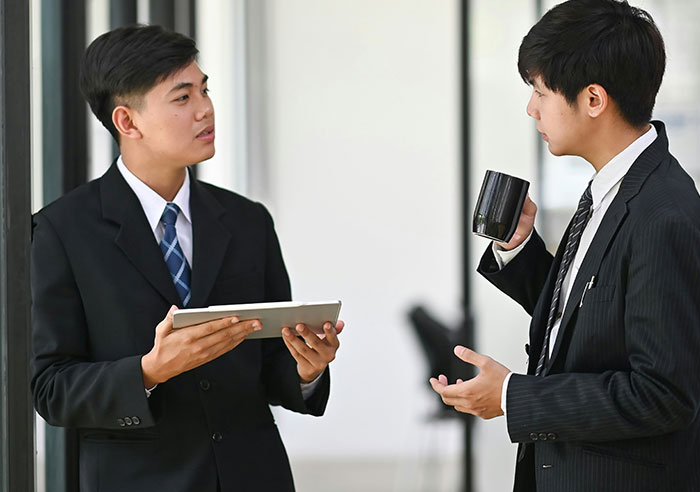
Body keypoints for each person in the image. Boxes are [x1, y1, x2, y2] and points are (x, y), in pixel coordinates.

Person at [31, 24, 343, 492]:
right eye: (182, 98)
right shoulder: (61, 231)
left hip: (253, 475)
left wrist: (306, 368)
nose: (206, 109)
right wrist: (149, 371)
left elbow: (272, 369)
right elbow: (51, 389)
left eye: (205, 89)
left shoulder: (247, 221)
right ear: (127, 122)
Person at [430, 1, 700, 491]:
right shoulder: (613, 184)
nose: (531, 108)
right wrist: (520, 249)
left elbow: (663, 394)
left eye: (540, 91)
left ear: (593, 99)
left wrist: (515, 398)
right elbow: (592, 319)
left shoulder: (663, 214)